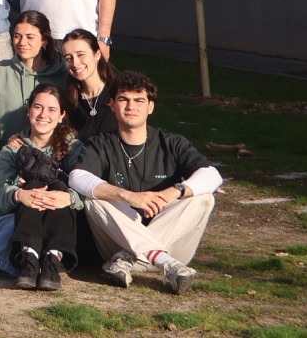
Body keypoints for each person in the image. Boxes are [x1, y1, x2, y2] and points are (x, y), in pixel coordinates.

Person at [67, 71, 222, 294]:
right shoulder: (101, 144)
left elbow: (212, 175)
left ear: (150, 107)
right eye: (124, 99)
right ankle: (162, 261)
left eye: (139, 100)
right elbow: (77, 177)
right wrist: (128, 196)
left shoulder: (171, 142)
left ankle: (130, 259)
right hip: (120, 243)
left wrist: (174, 191)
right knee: (94, 199)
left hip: (169, 246)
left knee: (203, 198)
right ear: (112, 105)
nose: (131, 106)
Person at [0, 83, 82, 291]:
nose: (43, 115)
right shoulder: (11, 150)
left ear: (61, 115)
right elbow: (0, 193)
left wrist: (69, 197)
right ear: (28, 110)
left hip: (64, 219)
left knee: (58, 186)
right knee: (33, 184)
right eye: (38, 107)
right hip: (25, 217)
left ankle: (53, 259)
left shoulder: (74, 148)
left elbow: (88, 188)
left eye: (52, 109)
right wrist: (19, 194)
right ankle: (29, 258)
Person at [0, 12, 71, 141]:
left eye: (30, 37)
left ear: (44, 41)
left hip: (55, 150)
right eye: (17, 36)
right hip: (4, 150)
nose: (22, 42)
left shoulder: (64, 74)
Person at [60, 29, 118, 140]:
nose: (75, 63)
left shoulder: (118, 93)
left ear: (97, 54)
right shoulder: (68, 99)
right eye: (68, 58)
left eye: (81, 55)